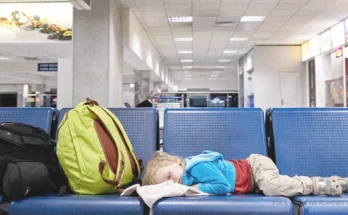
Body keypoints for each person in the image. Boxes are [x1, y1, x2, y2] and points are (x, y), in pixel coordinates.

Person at [142, 150, 346, 197]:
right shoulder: (185, 174)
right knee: (271, 186)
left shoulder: (194, 167)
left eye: (169, 176)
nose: (173, 181)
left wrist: (189, 190)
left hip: (254, 168)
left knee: (273, 187)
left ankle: (318, 184)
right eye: (165, 183)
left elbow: (221, 186)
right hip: (252, 181)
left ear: (176, 160)